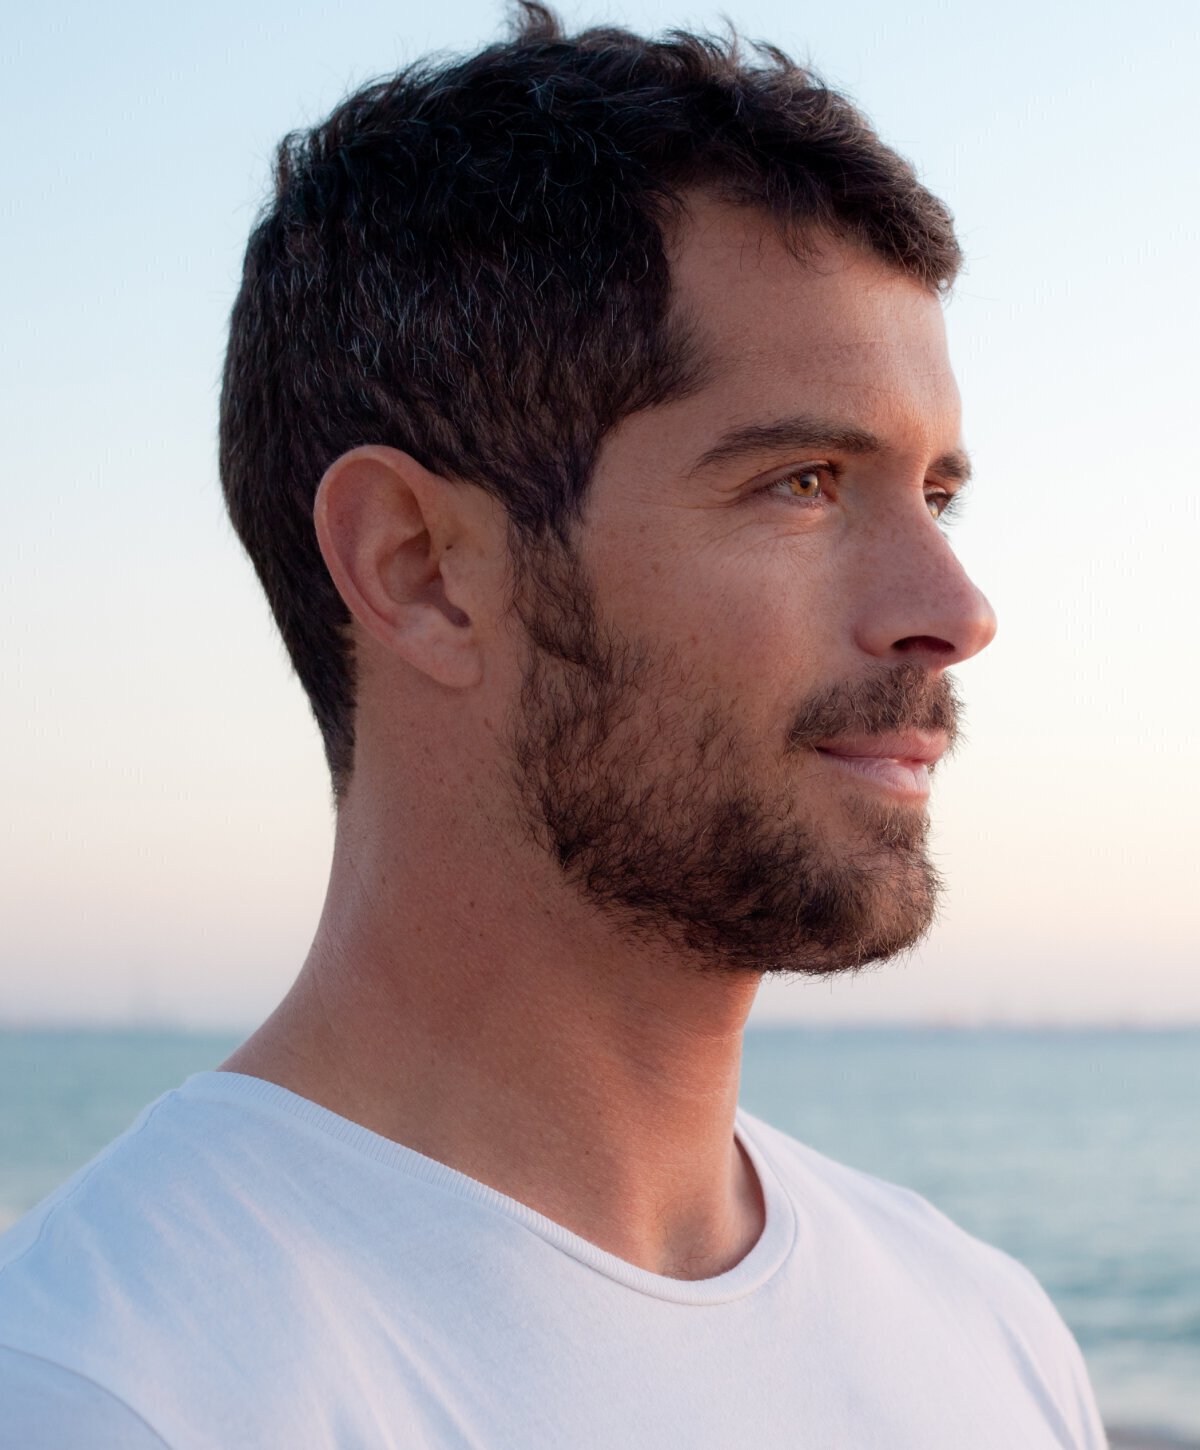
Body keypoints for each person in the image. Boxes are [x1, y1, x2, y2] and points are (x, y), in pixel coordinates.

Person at [0, 6, 1107, 1446]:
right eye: (805, 482)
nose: (954, 608)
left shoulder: (984, 1332)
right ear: (424, 571)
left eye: (937, 495)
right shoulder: (110, 1390)